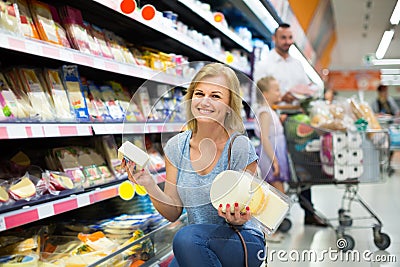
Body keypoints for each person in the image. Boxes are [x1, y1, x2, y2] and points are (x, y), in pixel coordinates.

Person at [123, 63, 266, 267]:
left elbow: (251, 209)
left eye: (215, 96)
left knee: (185, 238)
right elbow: (173, 212)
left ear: (229, 106)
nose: (205, 101)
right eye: (199, 93)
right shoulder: (176, 147)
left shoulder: (240, 147)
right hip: (195, 244)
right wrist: (149, 183)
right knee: (187, 242)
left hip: (242, 240)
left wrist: (238, 217)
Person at [253, 23, 327, 227]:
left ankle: (308, 212)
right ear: (274, 39)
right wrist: (279, 102)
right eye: (283, 38)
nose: (287, 42)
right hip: (276, 116)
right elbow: (260, 95)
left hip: (295, 118)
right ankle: (278, 217)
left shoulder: (297, 64)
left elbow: (306, 87)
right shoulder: (265, 64)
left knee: (303, 163)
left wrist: (305, 93)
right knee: (278, 173)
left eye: (290, 37)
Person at [254, 76, 290, 194]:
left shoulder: (270, 111)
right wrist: (274, 161)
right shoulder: (265, 112)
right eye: (276, 90)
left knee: (275, 192)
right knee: (278, 192)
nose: (279, 93)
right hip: (270, 157)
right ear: (265, 94)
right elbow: (264, 138)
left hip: (275, 154)